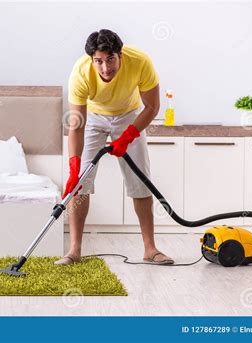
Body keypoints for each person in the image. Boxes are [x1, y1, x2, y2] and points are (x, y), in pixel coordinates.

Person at [55, 29, 174, 265]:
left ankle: (150, 249)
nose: (105, 68)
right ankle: (74, 251)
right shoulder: (80, 73)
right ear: (92, 59)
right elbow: (77, 125)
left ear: (120, 55)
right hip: (93, 117)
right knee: (80, 185)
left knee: (140, 181)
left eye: (110, 59)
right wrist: (74, 166)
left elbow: (151, 107)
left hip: (129, 115)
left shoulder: (140, 61)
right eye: (98, 61)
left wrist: (128, 135)